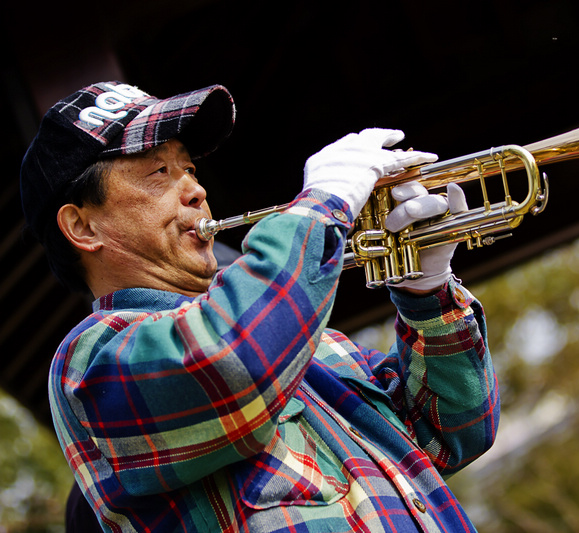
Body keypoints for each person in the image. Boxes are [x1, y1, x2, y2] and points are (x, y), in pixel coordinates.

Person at [20, 80, 499, 532]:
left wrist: (426, 293)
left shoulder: (317, 343)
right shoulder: (90, 359)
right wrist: (320, 206)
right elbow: (233, 362)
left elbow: (455, 434)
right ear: (83, 228)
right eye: (158, 172)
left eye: (188, 168)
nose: (196, 190)